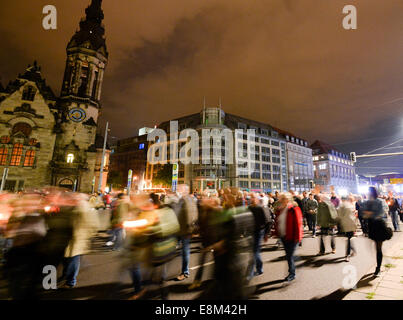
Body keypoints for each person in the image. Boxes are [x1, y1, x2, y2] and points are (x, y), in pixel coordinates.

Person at [62, 193, 99, 289]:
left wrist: (86, 235)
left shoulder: (82, 207)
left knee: (73, 259)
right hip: (76, 238)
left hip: (77, 238)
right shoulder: (82, 207)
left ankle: (70, 281)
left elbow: (92, 224)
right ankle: (69, 277)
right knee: (73, 258)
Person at [363, 187, 393, 277]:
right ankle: (381, 264)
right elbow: (364, 214)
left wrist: (370, 213)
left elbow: (381, 213)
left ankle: (378, 268)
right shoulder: (368, 202)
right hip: (371, 226)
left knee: (378, 248)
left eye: (369, 192)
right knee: (376, 247)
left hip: (379, 225)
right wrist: (368, 214)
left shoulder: (380, 201)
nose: (368, 194)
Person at [274, 193, 303, 282]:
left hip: (292, 237)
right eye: (280, 199)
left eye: (282, 199)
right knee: (289, 255)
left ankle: (292, 273)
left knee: (289, 256)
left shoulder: (294, 209)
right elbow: (278, 222)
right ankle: (293, 267)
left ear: (287, 200)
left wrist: (298, 237)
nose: (280, 201)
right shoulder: (280, 209)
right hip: (284, 236)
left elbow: (298, 224)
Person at [174, 184, 198, 281]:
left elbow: (184, 214)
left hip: (184, 229)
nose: (178, 189)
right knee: (184, 250)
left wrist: (188, 227)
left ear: (185, 190)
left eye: (180, 188)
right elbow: (195, 213)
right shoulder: (191, 199)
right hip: (185, 229)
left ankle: (185, 272)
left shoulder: (184, 200)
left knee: (185, 251)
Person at [246, 194, 271, 280]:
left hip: (259, 231)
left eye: (253, 198)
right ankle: (259, 268)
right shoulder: (249, 208)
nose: (251, 199)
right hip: (251, 232)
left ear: (257, 199)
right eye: (251, 198)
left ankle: (251, 271)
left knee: (254, 251)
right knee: (255, 251)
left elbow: (267, 221)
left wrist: (266, 234)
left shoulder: (260, 208)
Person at [337, 195, 357, 261]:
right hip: (351, 224)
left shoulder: (342, 205)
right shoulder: (350, 205)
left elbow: (339, 215)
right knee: (349, 239)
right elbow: (354, 215)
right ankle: (353, 250)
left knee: (348, 239)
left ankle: (347, 254)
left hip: (346, 224)